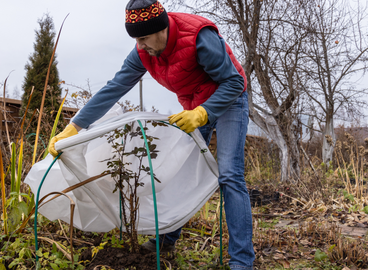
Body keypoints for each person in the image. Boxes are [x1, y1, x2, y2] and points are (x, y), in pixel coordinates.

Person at [48, 0, 255, 268]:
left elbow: (234, 81)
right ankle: (165, 240)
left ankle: (241, 261)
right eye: (136, 39)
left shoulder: (199, 38)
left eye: (143, 37)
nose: (140, 45)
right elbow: (114, 87)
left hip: (228, 99)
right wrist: (75, 126)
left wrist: (203, 113)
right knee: (180, 170)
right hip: (193, 104)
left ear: (162, 29)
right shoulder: (143, 52)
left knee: (229, 174)